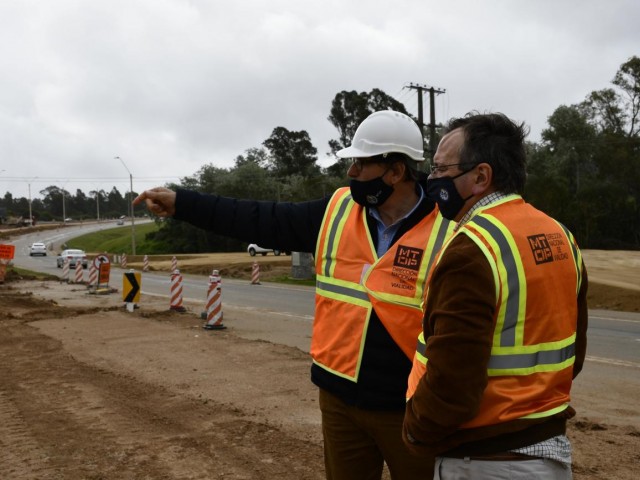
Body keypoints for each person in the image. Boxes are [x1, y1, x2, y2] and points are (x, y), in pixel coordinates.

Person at [134, 110, 454, 479]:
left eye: (361, 165)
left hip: (409, 406)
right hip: (339, 400)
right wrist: (182, 203)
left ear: (396, 171)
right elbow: (257, 217)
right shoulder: (335, 211)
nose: (351, 173)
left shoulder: (450, 228)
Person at [402, 112, 588, 479]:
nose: (432, 179)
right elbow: (574, 355)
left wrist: (415, 430)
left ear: (481, 177)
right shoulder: (560, 235)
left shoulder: (471, 250)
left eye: (441, 169)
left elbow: (453, 384)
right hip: (545, 454)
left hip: (484, 462)